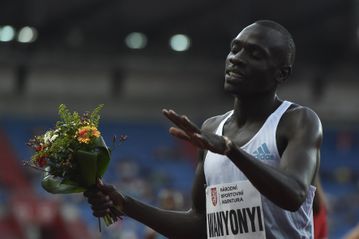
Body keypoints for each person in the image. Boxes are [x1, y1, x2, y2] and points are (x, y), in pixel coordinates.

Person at [84, 19, 323, 238]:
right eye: (235, 48)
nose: (236, 58)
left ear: (281, 73)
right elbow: (199, 224)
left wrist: (231, 150)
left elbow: (294, 195)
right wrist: (125, 204)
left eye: (255, 54)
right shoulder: (212, 128)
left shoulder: (298, 121)